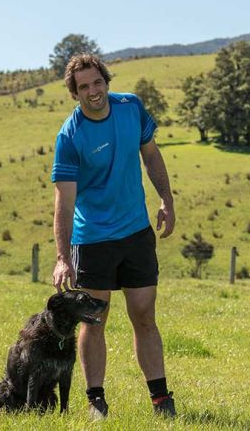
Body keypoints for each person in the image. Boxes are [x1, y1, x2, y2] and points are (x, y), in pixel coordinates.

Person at [50, 53, 176, 419]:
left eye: (97, 82)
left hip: (136, 231)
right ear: (75, 93)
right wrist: (62, 257)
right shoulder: (70, 136)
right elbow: (65, 201)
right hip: (92, 240)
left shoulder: (130, 107)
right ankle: (96, 401)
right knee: (94, 319)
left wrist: (166, 199)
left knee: (144, 315)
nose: (93, 91)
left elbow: (151, 155)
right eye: (84, 87)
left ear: (106, 80)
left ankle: (161, 400)